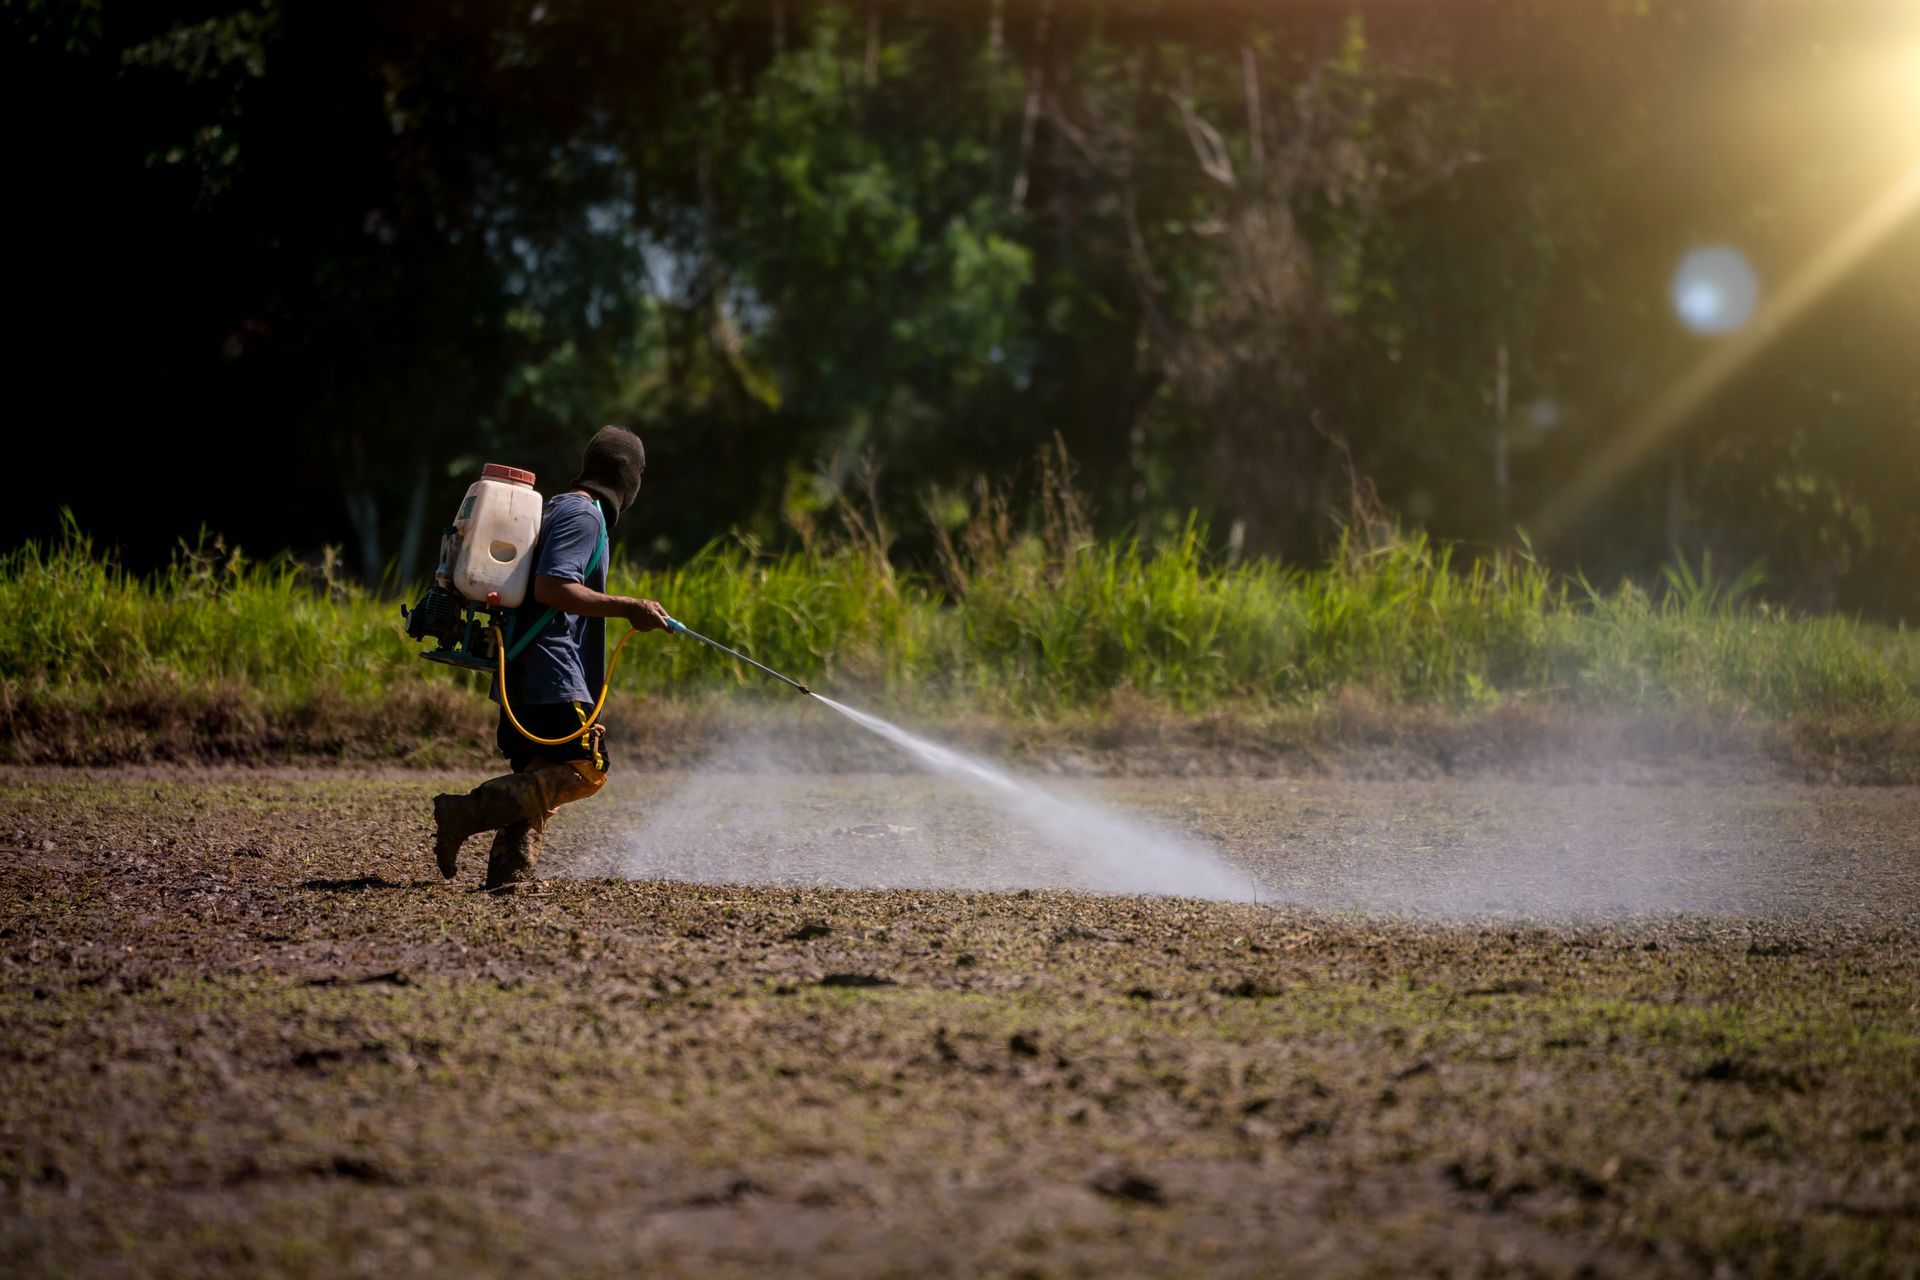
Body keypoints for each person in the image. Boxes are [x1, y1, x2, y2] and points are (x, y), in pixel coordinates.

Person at [430, 425, 669, 890]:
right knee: (586, 768)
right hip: (549, 668)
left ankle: (508, 876)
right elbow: (551, 587)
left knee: (538, 775)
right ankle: (458, 814)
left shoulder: (562, 505)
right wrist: (630, 607)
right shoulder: (584, 516)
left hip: (525, 666)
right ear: (627, 475)